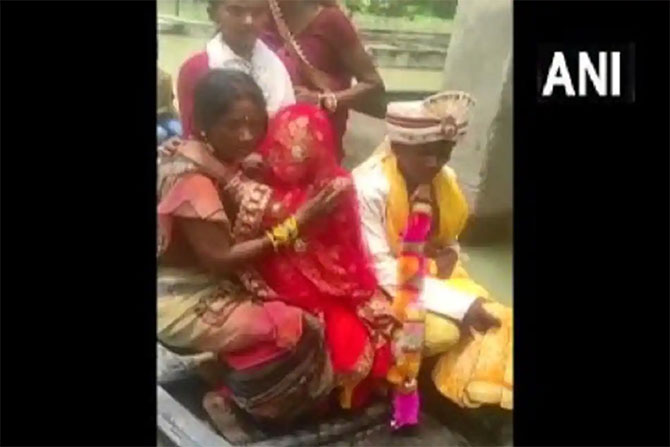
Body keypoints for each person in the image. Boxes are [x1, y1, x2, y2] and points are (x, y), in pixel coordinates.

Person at [157, 69, 343, 441]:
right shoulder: (193, 177)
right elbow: (220, 259)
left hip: (208, 283)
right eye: (233, 126)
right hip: (180, 297)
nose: (246, 136)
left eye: (254, 125)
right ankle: (229, 401)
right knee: (301, 329)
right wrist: (296, 226)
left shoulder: (223, 159)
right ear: (204, 125)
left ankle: (230, 367)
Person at [352, 91, 514, 414]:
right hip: (379, 285)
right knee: (444, 331)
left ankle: (469, 399)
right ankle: (415, 390)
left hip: (434, 276)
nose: (435, 164)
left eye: (444, 153)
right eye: (425, 154)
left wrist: (450, 255)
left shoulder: (446, 180)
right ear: (398, 147)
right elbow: (378, 268)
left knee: (502, 320)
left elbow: (449, 238)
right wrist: (463, 305)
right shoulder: (369, 186)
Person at [253, 103, 397, 409]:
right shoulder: (263, 181)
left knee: (360, 340)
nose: (281, 161)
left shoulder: (335, 186)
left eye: (294, 154)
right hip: (273, 276)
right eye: (278, 149)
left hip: (333, 281)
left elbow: (342, 249)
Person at [261, 0, 386, 162]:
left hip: (320, 156)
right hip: (268, 154)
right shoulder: (253, 15)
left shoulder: (331, 21)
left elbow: (373, 85)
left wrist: (324, 100)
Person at [176, 0, 295, 139]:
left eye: (257, 13)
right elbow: (194, 138)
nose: (248, 21)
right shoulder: (197, 69)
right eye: (236, 11)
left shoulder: (281, 66)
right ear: (214, 14)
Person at [157, 67, 182, 144]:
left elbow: (169, 105)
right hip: (162, 121)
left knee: (180, 130)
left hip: (164, 118)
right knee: (160, 134)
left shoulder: (165, 78)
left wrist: (180, 120)